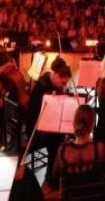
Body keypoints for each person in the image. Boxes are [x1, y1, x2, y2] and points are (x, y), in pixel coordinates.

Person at [25, 56, 73, 189]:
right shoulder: (45, 89)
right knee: (58, 143)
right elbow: (43, 116)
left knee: (62, 137)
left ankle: (55, 175)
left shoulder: (47, 77)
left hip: (43, 125)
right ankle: (52, 180)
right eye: (63, 83)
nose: (63, 86)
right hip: (36, 130)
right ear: (57, 75)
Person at [53, 105, 105, 186]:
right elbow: (100, 172)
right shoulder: (99, 147)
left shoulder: (63, 149)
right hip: (93, 194)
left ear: (74, 123)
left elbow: (55, 175)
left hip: (71, 196)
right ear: (92, 126)